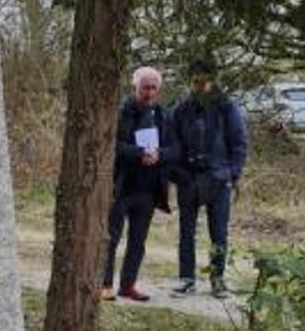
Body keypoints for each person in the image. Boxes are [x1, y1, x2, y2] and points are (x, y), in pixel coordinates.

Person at [169, 58, 247, 299]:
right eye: (195, 81)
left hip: (218, 179)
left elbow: (239, 144)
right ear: (189, 81)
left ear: (212, 81)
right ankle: (186, 278)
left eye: (204, 81)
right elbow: (172, 145)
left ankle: (218, 279)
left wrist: (231, 174)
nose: (199, 86)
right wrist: (178, 174)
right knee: (186, 232)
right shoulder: (181, 109)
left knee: (219, 233)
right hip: (189, 179)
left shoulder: (227, 107)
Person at [100, 66, 178, 302]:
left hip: (148, 190)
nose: (150, 92)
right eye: (146, 87)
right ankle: (104, 285)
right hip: (121, 188)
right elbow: (111, 145)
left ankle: (128, 285)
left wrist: (159, 156)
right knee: (110, 239)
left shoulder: (163, 115)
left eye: (154, 88)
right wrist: (140, 153)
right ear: (135, 86)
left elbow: (175, 149)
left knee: (138, 242)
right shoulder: (120, 112)